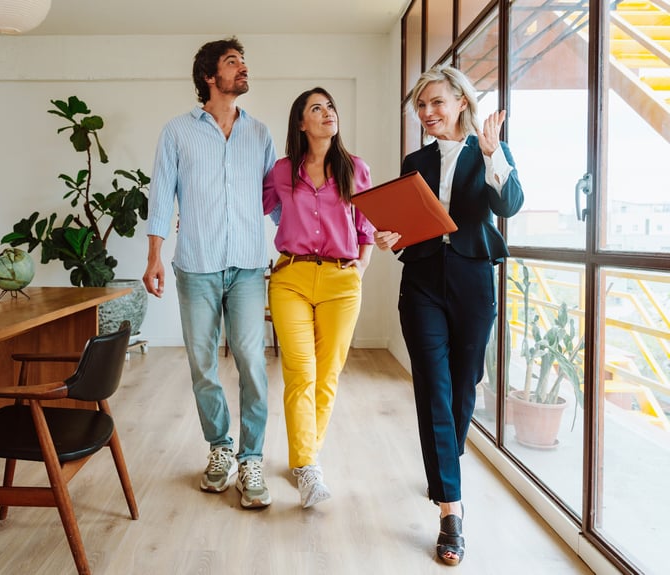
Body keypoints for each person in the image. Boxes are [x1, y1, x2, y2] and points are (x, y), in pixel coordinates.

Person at [373, 65, 524, 565]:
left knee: (464, 386)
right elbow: (409, 221)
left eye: (436, 102)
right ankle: (450, 510)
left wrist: (492, 154)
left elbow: (511, 205)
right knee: (433, 388)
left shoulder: (488, 151)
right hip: (420, 283)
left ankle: (445, 464)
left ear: (461, 101)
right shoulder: (416, 158)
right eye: (421, 106)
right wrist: (391, 235)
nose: (427, 113)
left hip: (473, 281)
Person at [142, 37, 276, 509]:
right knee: (202, 364)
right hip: (194, 266)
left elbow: (274, 201)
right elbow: (161, 199)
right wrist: (154, 256)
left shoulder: (259, 134)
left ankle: (252, 456)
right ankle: (220, 448)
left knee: (251, 362)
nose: (242, 69)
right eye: (232, 62)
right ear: (208, 76)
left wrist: (310, 242)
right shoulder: (177, 132)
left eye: (243, 61)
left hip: (247, 266)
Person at [263, 87, 375, 508]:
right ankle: (308, 467)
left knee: (327, 375)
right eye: (316, 108)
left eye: (330, 107)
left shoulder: (354, 168)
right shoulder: (281, 171)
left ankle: (304, 459)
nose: (327, 113)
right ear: (301, 123)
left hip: (341, 282)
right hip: (290, 276)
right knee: (300, 370)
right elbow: (251, 205)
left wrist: (361, 267)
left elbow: (366, 225)